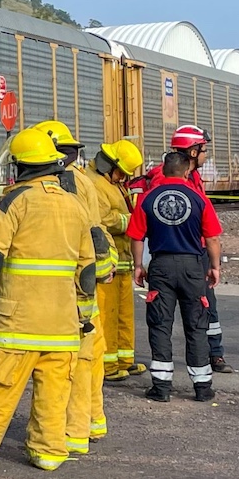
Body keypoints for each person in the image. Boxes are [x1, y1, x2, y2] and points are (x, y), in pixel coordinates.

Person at [0, 128, 95, 472]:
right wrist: (84, 314)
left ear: (21, 167)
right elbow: (87, 271)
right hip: (64, 326)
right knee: (54, 395)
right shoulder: (75, 206)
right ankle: (48, 452)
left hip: (18, 323)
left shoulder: (14, 202)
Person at [30, 120, 113, 455]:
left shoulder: (60, 184)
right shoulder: (82, 180)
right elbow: (95, 232)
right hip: (86, 283)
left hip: (66, 290)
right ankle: (88, 426)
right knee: (88, 358)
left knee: (71, 364)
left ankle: (71, 432)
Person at [129, 125, 231, 374]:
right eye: (204, 150)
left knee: (178, 316)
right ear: (193, 152)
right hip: (186, 257)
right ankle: (207, 364)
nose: (206, 155)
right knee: (194, 314)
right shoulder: (173, 180)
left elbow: (137, 229)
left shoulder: (186, 176)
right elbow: (211, 232)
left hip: (173, 257)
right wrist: (214, 264)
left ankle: (210, 356)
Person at [90, 140, 146, 386]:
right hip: (108, 264)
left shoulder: (111, 183)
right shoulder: (94, 184)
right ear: (108, 165)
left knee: (124, 314)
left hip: (122, 261)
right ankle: (108, 364)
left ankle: (125, 359)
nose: (124, 177)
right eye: (122, 172)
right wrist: (130, 221)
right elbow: (102, 218)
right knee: (108, 316)